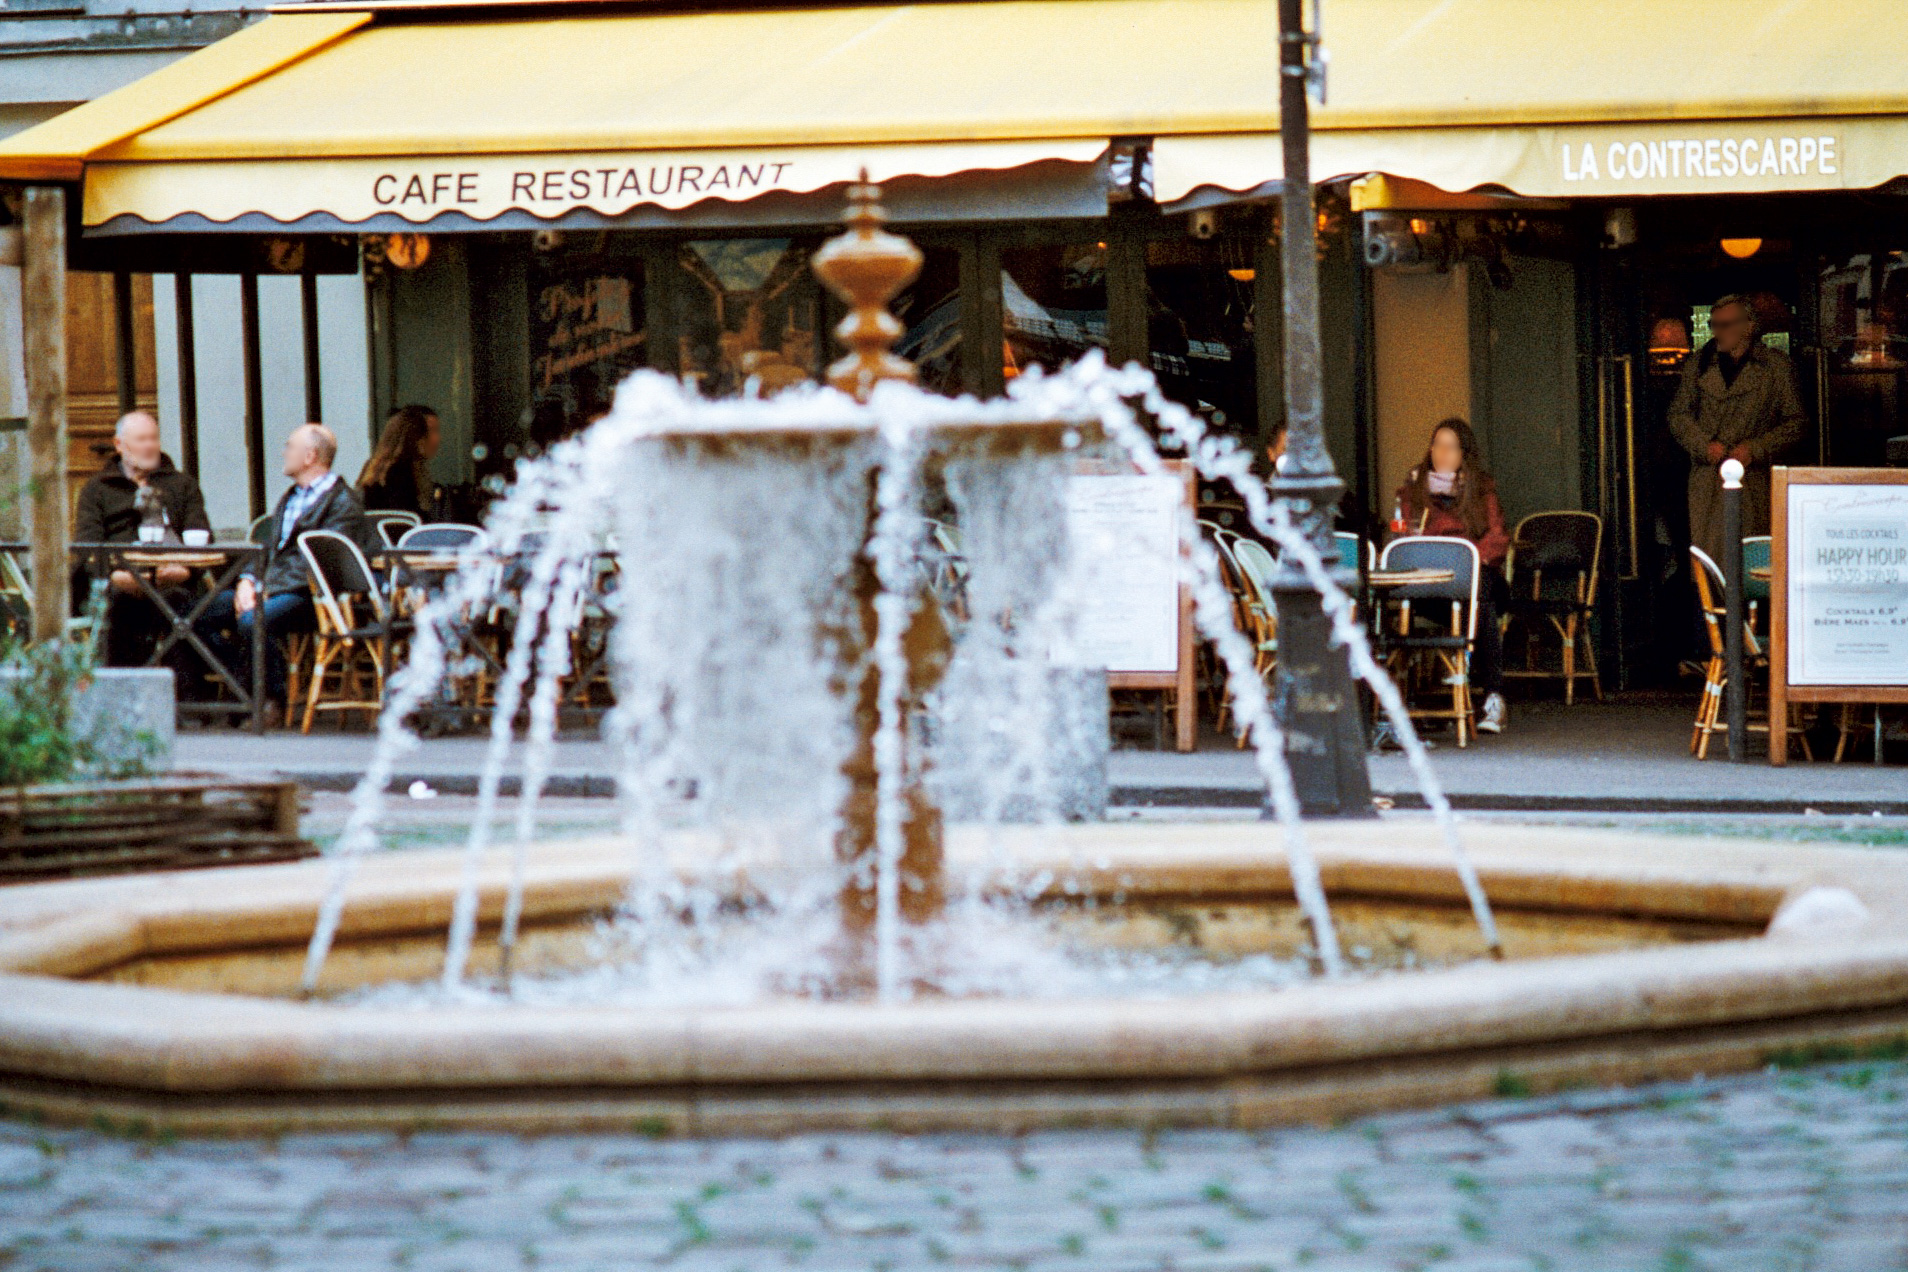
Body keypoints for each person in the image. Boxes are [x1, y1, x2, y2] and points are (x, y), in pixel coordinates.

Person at [198, 424, 369, 712]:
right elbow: (268, 549)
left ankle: (270, 699)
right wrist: (247, 581)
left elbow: (319, 561)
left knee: (253, 621)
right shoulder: (291, 497)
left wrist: (267, 590)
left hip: (311, 595)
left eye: (290, 446)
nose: (284, 452)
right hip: (272, 587)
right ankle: (239, 687)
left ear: (309, 456)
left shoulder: (343, 503)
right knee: (196, 614)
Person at [1668, 294, 1807, 565]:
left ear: (1749, 327)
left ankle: (1754, 609)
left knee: (1753, 564)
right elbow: (1678, 414)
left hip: (1754, 482)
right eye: (1714, 325)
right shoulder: (1698, 365)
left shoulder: (1776, 367)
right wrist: (1704, 445)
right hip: (1708, 481)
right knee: (1710, 564)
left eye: (1726, 324)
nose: (1718, 332)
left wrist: (1755, 449)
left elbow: (1796, 422)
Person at [1395, 418, 1512, 736]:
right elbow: (1404, 536)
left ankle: (1492, 697)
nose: (1442, 453)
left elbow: (1498, 538)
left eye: (1450, 447)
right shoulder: (1414, 492)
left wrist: (1467, 562)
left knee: (1482, 592)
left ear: (1465, 454)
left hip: (1478, 579)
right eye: (1437, 445)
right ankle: (1409, 699)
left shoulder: (1481, 490)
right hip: (1434, 588)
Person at [71, 410, 211, 668]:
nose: (150, 446)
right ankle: (124, 694)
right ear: (119, 445)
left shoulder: (182, 485)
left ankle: (186, 700)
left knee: (181, 608)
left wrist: (185, 570)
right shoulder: (98, 489)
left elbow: (200, 534)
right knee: (120, 607)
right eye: (141, 439)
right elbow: (86, 544)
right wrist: (115, 574)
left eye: (154, 439)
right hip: (117, 582)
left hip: (175, 581)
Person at [357, 404, 441, 519]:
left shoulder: (376, 468)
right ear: (415, 436)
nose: (437, 438)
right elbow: (407, 518)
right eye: (432, 431)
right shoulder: (400, 472)